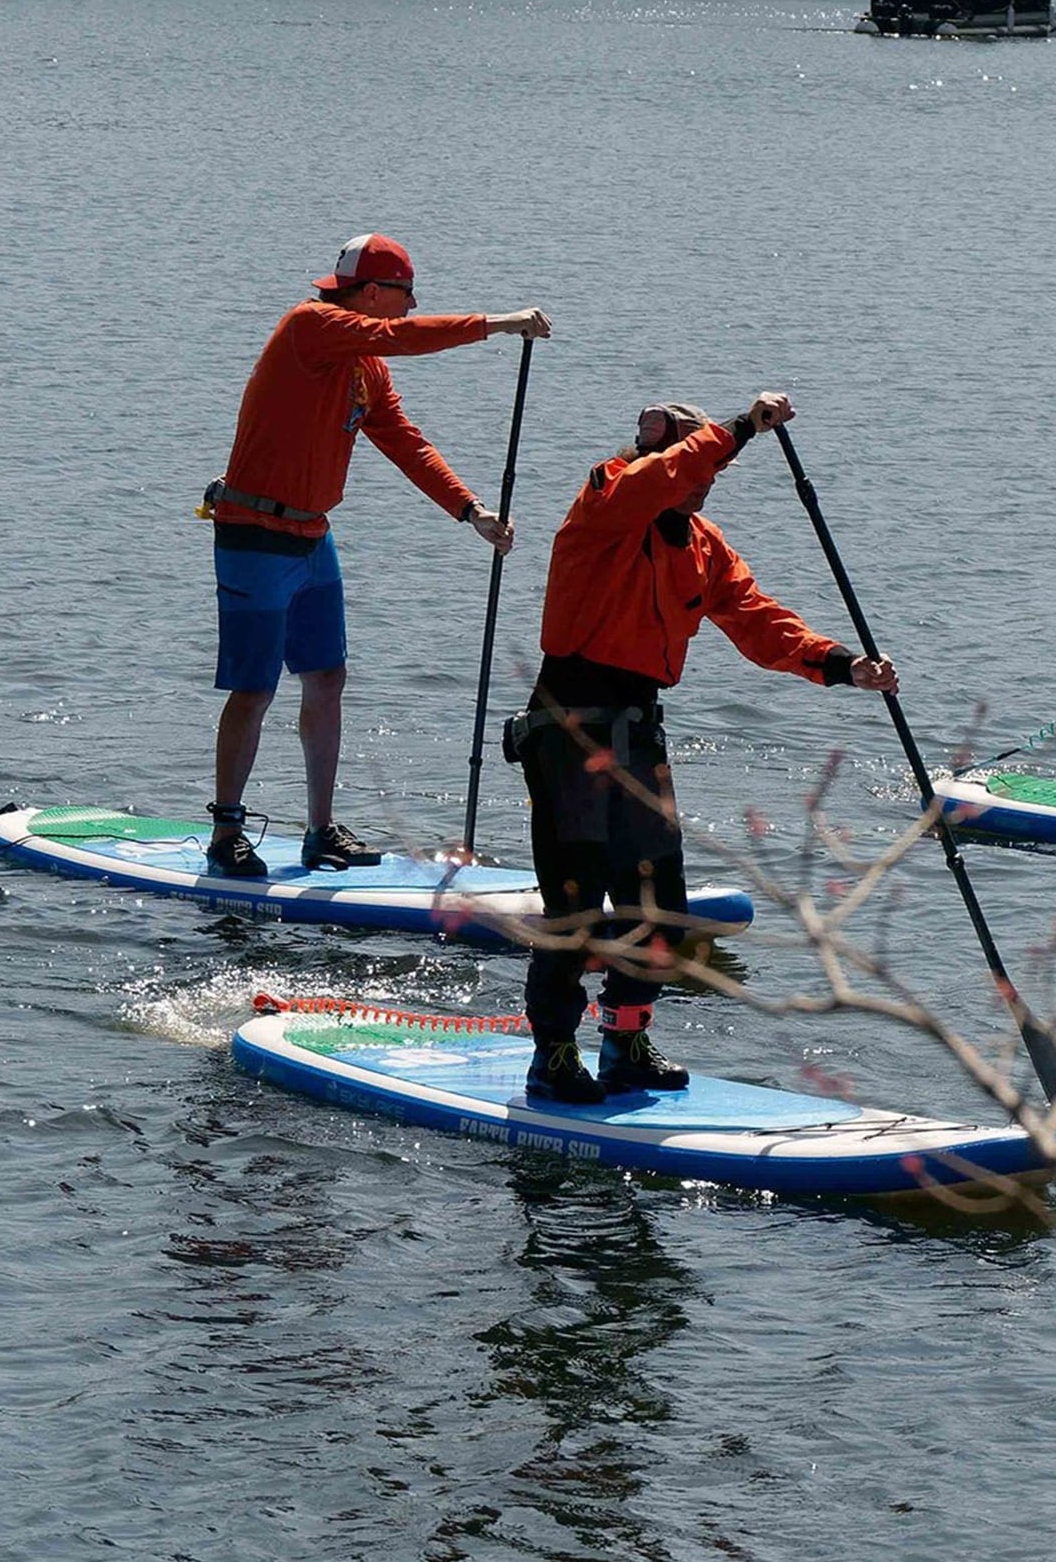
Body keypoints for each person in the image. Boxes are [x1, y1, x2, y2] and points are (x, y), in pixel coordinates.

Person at [509, 391, 897, 1104]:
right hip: (567, 727)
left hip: (637, 730)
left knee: (658, 902)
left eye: (711, 473)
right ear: (659, 460)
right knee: (578, 901)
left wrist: (844, 665)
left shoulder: (704, 545)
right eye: (697, 468)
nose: (705, 482)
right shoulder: (605, 498)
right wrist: (743, 427)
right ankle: (554, 1054)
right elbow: (657, 477)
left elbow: (759, 622)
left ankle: (625, 1042)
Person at [205, 233, 552, 878]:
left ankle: (319, 832)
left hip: (313, 538)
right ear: (371, 294)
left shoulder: (368, 368)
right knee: (254, 689)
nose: (413, 304)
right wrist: (498, 325)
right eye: (405, 293)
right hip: (253, 535)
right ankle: (226, 831)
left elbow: (405, 443)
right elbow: (406, 336)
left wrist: (470, 511)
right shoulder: (310, 327)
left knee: (327, 679)